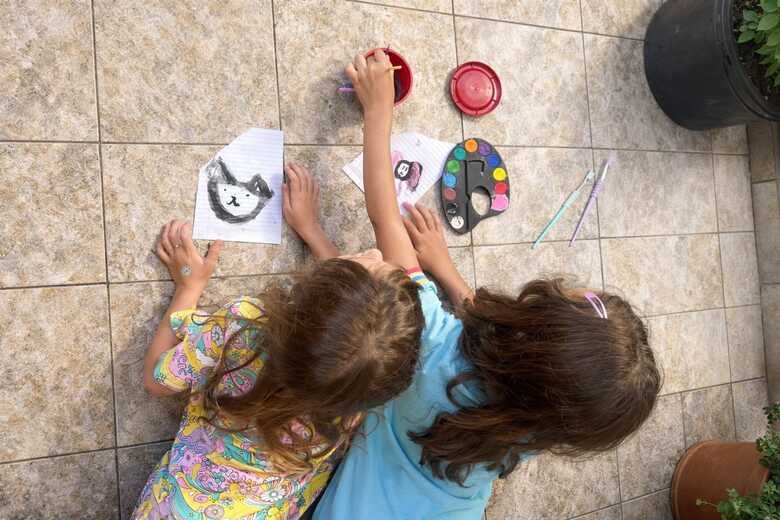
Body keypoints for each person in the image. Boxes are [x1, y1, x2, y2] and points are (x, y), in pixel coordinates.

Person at [312, 49, 661, 519]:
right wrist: (444, 268)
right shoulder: (542, 418)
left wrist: (378, 111)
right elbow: (499, 345)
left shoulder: (436, 346)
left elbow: (385, 220)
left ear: (527, 329)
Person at [132, 163, 425, 519]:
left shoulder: (245, 324)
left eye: (364, 263)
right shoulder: (360, 391)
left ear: (312, 289)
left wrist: (189, 286)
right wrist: (312, 230)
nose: (376, 253)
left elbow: (157, 380)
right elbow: (345, 333)